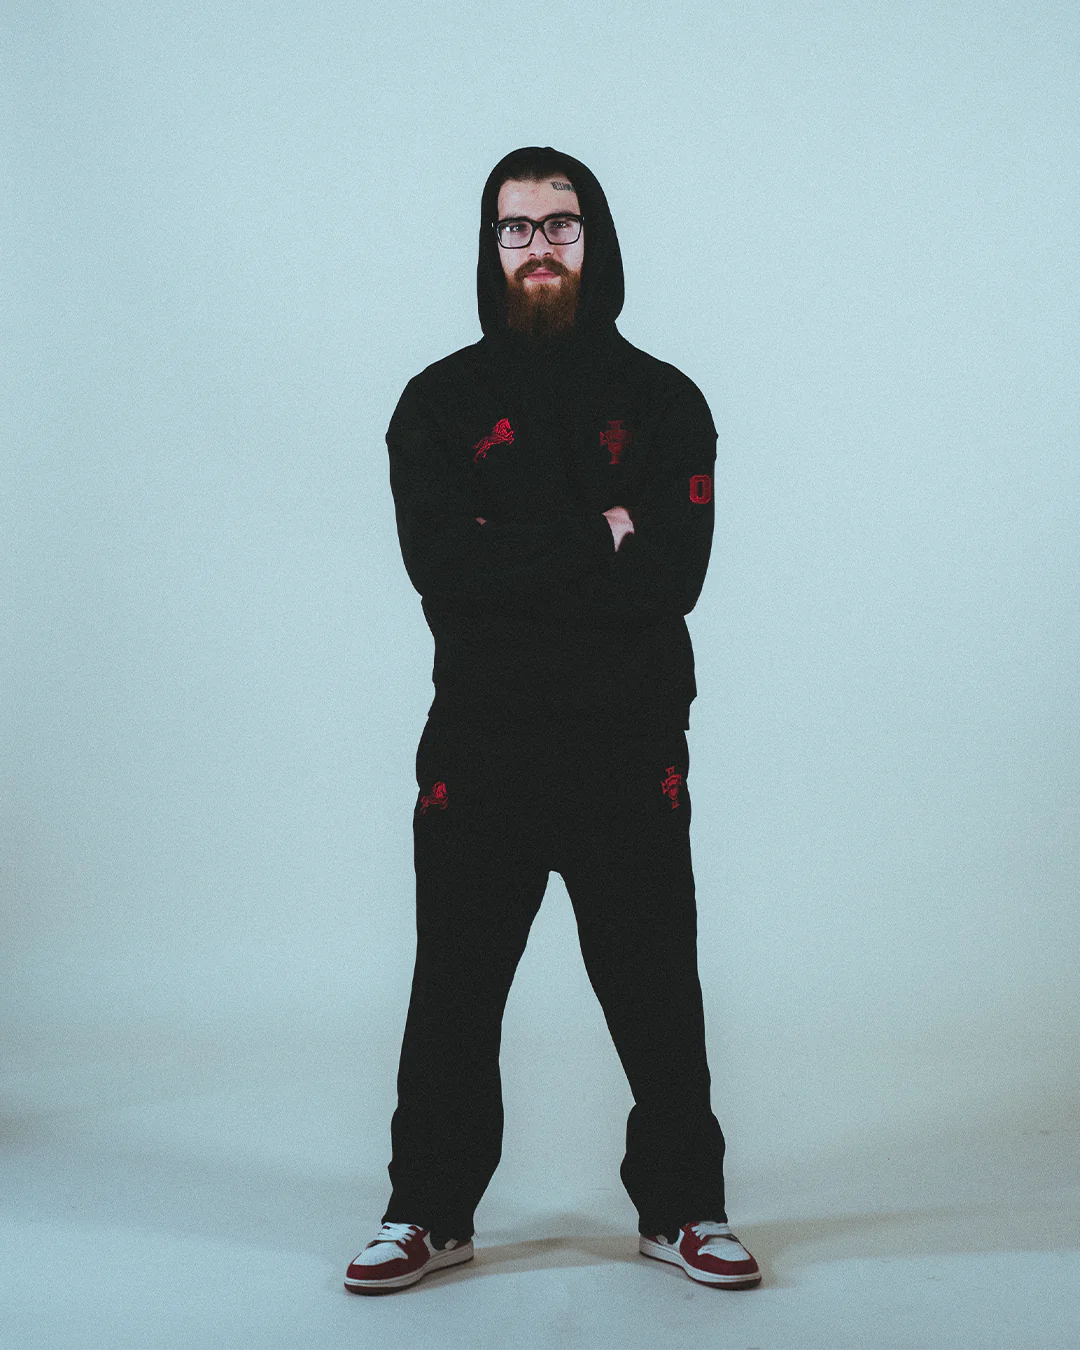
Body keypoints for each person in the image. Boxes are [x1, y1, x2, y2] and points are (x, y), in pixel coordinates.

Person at [344, 147, 761, 1294]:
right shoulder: (437, 404)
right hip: (482, 745)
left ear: (596, 240)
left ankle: (683, 1207)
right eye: (516, 228)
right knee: (454, 985)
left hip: (629, 741)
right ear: (490, 248)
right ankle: (428, 1212)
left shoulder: (666, 402)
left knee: (655, 982)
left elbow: (671, 577)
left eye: (560, 225)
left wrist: (514, 556)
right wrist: (595, 534)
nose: (539, 247)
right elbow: (442, 566)